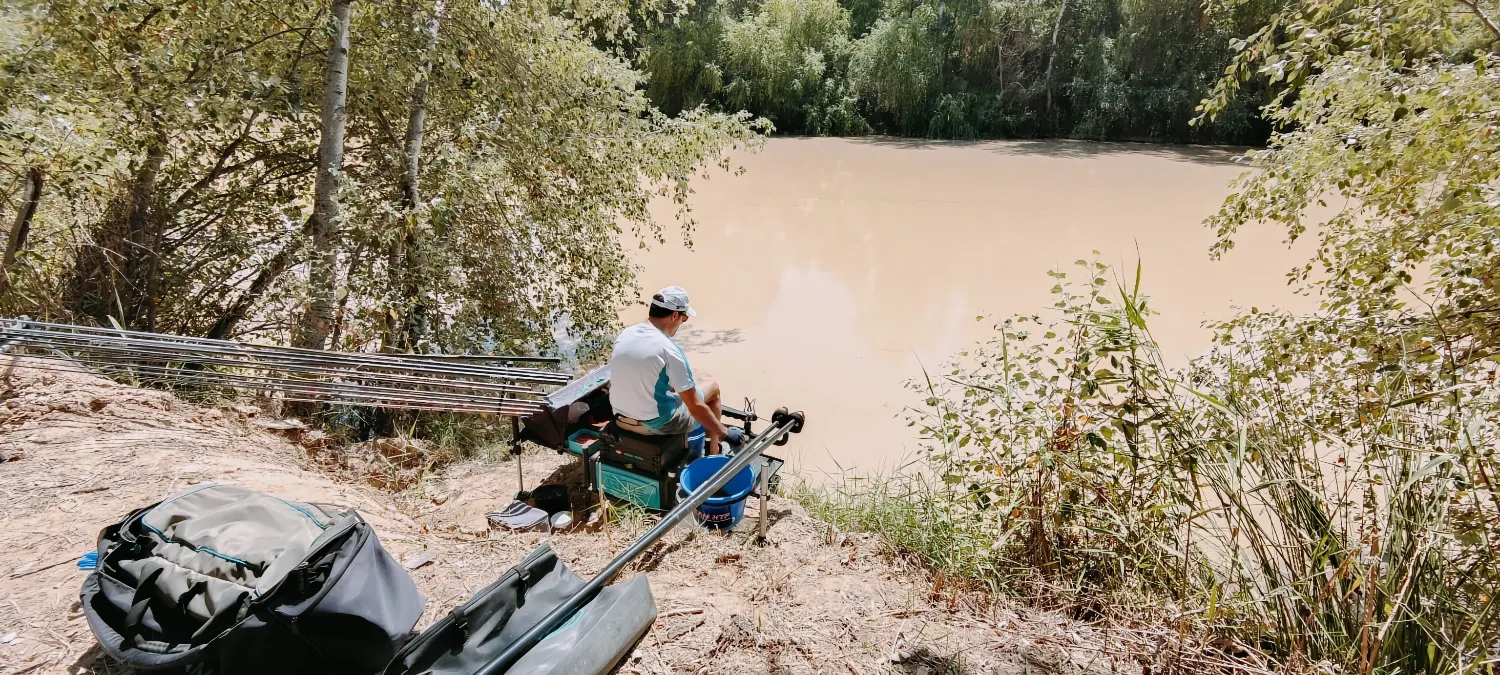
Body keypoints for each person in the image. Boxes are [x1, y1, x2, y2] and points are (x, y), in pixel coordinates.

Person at [608, 286, 741, 454]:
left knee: (675, 391)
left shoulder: (626, 334)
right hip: (656, 424)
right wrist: (726, 432)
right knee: (713, 388)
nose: (682, 323)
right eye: (684, 318)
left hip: (619, 417)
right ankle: (713, 452)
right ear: (675, 315)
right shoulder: (669, 350)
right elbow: (696, 407)